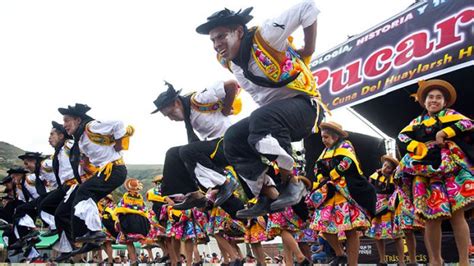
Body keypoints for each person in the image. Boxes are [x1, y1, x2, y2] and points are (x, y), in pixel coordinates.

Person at [196, 0, 325, 218]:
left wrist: (309, 49)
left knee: (260, 118)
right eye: (213, 40)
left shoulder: (266, 36)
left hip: (306, 108)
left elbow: (307, 8)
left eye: (221, 36)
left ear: (238, 32)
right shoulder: (226, 60)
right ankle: (268, 194)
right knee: (233, 138)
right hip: (274, 119)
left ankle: (292, 182)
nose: (216, 44)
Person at [396, 79, 473, 266]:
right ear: (424, 101)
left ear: (445, 102)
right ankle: (435, 260)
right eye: (431, 97)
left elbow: (469, 124)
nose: (434, 100)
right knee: (431, 217)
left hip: (451, 168)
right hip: (426, 169)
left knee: (457, 215)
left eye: (439, 98)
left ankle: (464, 261)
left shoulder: (451, 115)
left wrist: (445, 132)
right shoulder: (417, 122)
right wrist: (417, 146)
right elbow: (401, 136)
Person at [151, 80, 241, 210]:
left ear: (176, 103)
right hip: (213, 148)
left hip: (228, 142)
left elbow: (231, 84)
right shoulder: (188, 114)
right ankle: (193, 194)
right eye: (167, 116)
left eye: (171, 113)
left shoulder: (199, 99)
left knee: (187, 152)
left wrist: (226, 110)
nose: (171, 118)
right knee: (173, 154)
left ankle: (225, 182)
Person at [58, 103, 134, 255]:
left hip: (115, 169)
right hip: (105, 171)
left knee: (84, 192)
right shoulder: (80, 139)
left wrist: (119, 145)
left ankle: (94, 232)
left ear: (78, 120)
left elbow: (118, 123)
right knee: (83, 195)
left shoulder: (91, 127)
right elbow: (90, 156)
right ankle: (88, 237)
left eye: (67, 120)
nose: (64, 125)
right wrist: (85, 164)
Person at [309, 121, 376, 266]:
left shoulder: (345, 145)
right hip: (329, 194)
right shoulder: (325, 151)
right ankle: (340, 253)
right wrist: (321, 176)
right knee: (322, 226)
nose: (323, 140)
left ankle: (353, 264)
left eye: (326, 137)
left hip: (346, 193)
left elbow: (347, 162)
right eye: (322, 137)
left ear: (335, 136)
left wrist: (333, 174)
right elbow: (317, 167)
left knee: (350, 231)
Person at [365, 155, 405, 265]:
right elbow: (370, 191)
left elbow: (399, 192)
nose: (385, 168)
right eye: (384, 165)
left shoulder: (395, 178)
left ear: (392, 169)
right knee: (378, 235)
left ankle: (401, 261)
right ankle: (382, 260)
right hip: (377, 209)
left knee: (397, 235)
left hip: (391, 209)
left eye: (388, 167)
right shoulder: (374, 176)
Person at [115, 178, 150, 264]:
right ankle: (134, 260)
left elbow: (120, 208)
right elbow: (144, 209)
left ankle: (133, 260)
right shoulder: (140, 197)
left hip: (128, 221)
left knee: (128, 242)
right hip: (139, 221)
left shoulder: (125, 196)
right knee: (132, 241)